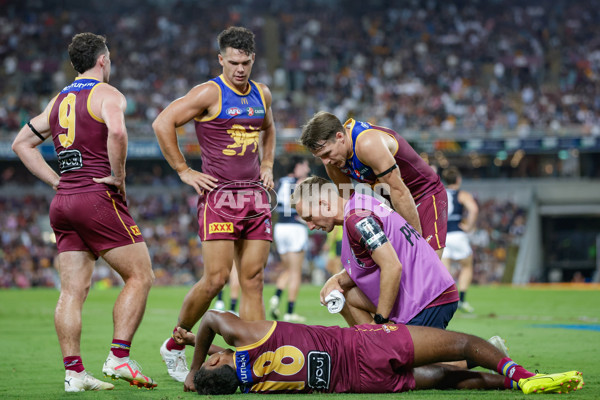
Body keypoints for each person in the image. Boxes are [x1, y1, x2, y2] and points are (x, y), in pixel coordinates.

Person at [11, 33, 156, 391]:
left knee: (72, 292)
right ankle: (119, 357)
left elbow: (21, 143)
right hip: (97, 196)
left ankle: (74, 374)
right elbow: (118, 133)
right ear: (103, 60)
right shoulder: (107, 93)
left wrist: (56, 182)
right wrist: (118, 176)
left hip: (64, 202)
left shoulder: (59, 101)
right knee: (141, 276)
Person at [153, 26, 276, 382]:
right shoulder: (209, 92)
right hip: (220, 197)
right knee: (217, 279)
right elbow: (163, 122)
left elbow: (269, 127)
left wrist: (267, 164)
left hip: (254, 195)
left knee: (253, 279)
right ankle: (175, 343)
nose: (240, 69)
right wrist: (183, 170)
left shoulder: (262, 94)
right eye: (233, 62)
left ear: (253, 60)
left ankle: (255, 360)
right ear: (221, 59)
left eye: (246, 62)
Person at [180, 310, 585, 395]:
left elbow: (245, 365)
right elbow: (213, 319)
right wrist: (192, 367)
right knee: (463, 342)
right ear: (216, 359)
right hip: (363, 344)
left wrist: (203, 369)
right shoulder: (243, 337)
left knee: (447, 378)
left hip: (361, 383)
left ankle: (508, 386)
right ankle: (524, 376)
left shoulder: (251, 386)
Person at [293, 176, 458, 329]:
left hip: (428, 299)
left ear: (324, 205)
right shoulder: (358, 203)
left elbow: (392, 266)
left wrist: (381, 322)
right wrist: (337, 279)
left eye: (309, 218)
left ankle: (379, 344)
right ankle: (375, 349)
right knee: (347, 297)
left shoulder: (357, 219)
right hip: (428, 291)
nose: (310, 226)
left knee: (418, 361)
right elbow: (370, 262)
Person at [300, 112, 448, 259]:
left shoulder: (367, 144)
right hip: (394, 205)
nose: (325, 162)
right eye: (320, 157)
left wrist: (415, 245)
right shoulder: (333, 160)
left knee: (425, 263)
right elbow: (348, 205)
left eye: (327, 153)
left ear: (340, 137)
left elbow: (400, 192)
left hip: (427, 194)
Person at [270, 156, 311, 322]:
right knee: (296, 272)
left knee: (287, 269)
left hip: (280, 227)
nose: (307, 169)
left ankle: (276, 297)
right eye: (305, 165)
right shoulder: (302, 182)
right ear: (298, 166)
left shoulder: (280, 182)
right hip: (295, 227)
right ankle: (289, 311)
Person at [441, 167, 479, 313]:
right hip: (457, 234)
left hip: (443, 235)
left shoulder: (440, 194)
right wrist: (469, 226)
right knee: (467, 265)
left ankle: (445, 301)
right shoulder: (461, 194)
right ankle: (462, 300)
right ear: (458, 180)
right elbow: (473, 209)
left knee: (445, 271)